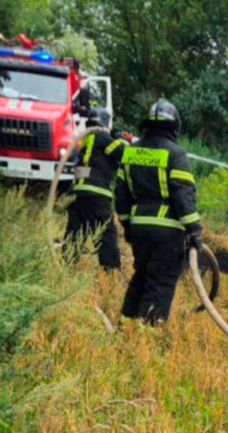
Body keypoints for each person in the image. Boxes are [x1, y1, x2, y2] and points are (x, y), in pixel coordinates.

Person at [116, 98, 203, 324]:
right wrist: (194, 230)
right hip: (167, 233)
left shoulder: (131, 153)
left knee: (141, 276)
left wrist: (127, 225)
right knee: (160, 281)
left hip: (139, 231)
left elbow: (121, 195)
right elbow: (183, 197)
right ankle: (147, 332)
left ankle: (126, 321)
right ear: (174, 126)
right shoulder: (175, 154)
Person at [63, 108, 128, 270]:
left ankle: (66, 266)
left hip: (79, 194)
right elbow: (124, 155)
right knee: (106, 234)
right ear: (106, 124)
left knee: (76, 232)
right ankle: (111, 271)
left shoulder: (86, 139)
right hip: (97, 195)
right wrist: (123, 140)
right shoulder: (103, 138)